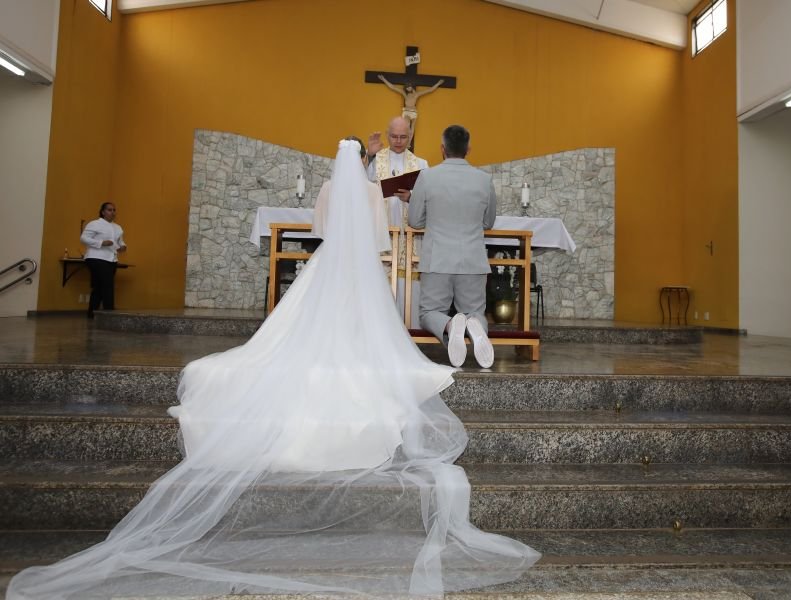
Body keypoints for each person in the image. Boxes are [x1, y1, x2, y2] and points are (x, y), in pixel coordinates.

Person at [7, 139, 538, 600]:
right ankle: (468, 323)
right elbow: (384, 234)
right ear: (370, 158)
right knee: (376, 318)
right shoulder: (378, 192)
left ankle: (434, 327)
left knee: (304, 316)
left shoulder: (333, 190)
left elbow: (319, 230)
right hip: (390, 261)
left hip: (332, 261)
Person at [408, 125, 496, 369]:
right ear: (468, 149)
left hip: (438, 258)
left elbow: (414, 220)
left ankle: (449, 325)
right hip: (473, 259)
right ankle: (472, 323)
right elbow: (488, 222)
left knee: (429, 312)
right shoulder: (484, 179)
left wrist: (433, 219)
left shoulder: (427, 177)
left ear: (442, 148)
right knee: (475, 311)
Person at [367, 116, 429, 327]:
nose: (398, 141)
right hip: (382, 233)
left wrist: (411, 197)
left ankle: (410, 330)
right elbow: (359, 188)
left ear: (410, 137)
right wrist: (368, 156)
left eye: (403, 137)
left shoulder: (421, 164)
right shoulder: (375, 160)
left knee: (408, 281)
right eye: (394, 136)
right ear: (387, 135)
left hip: (409, 235)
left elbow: (428, 200)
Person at [80, 202, 126, 318]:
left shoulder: (118, 227)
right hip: (96, 257)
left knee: (99, 287)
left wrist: (123, 246)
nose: (113, 212)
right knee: (107, 285)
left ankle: (91, 314)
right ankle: (109, 315)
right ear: (103, 212)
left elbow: (120, 242)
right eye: (109, 210)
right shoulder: (95, 224)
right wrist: (101, 243)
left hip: (111, 259)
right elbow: (84, 238)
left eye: (114, 210)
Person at [377, 74, 444, 143]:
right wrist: (383, 79)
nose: (408, 88)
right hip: (406, 111)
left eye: (409, 87)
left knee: (412, 128)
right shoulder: (405, 94)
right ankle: (406, 142)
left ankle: (409, 142)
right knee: (407, 125)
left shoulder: (416, 94)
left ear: (412, 87)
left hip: (414, 112)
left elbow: (429, 90)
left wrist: (438, 83)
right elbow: (393, 87)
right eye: (407, 87)